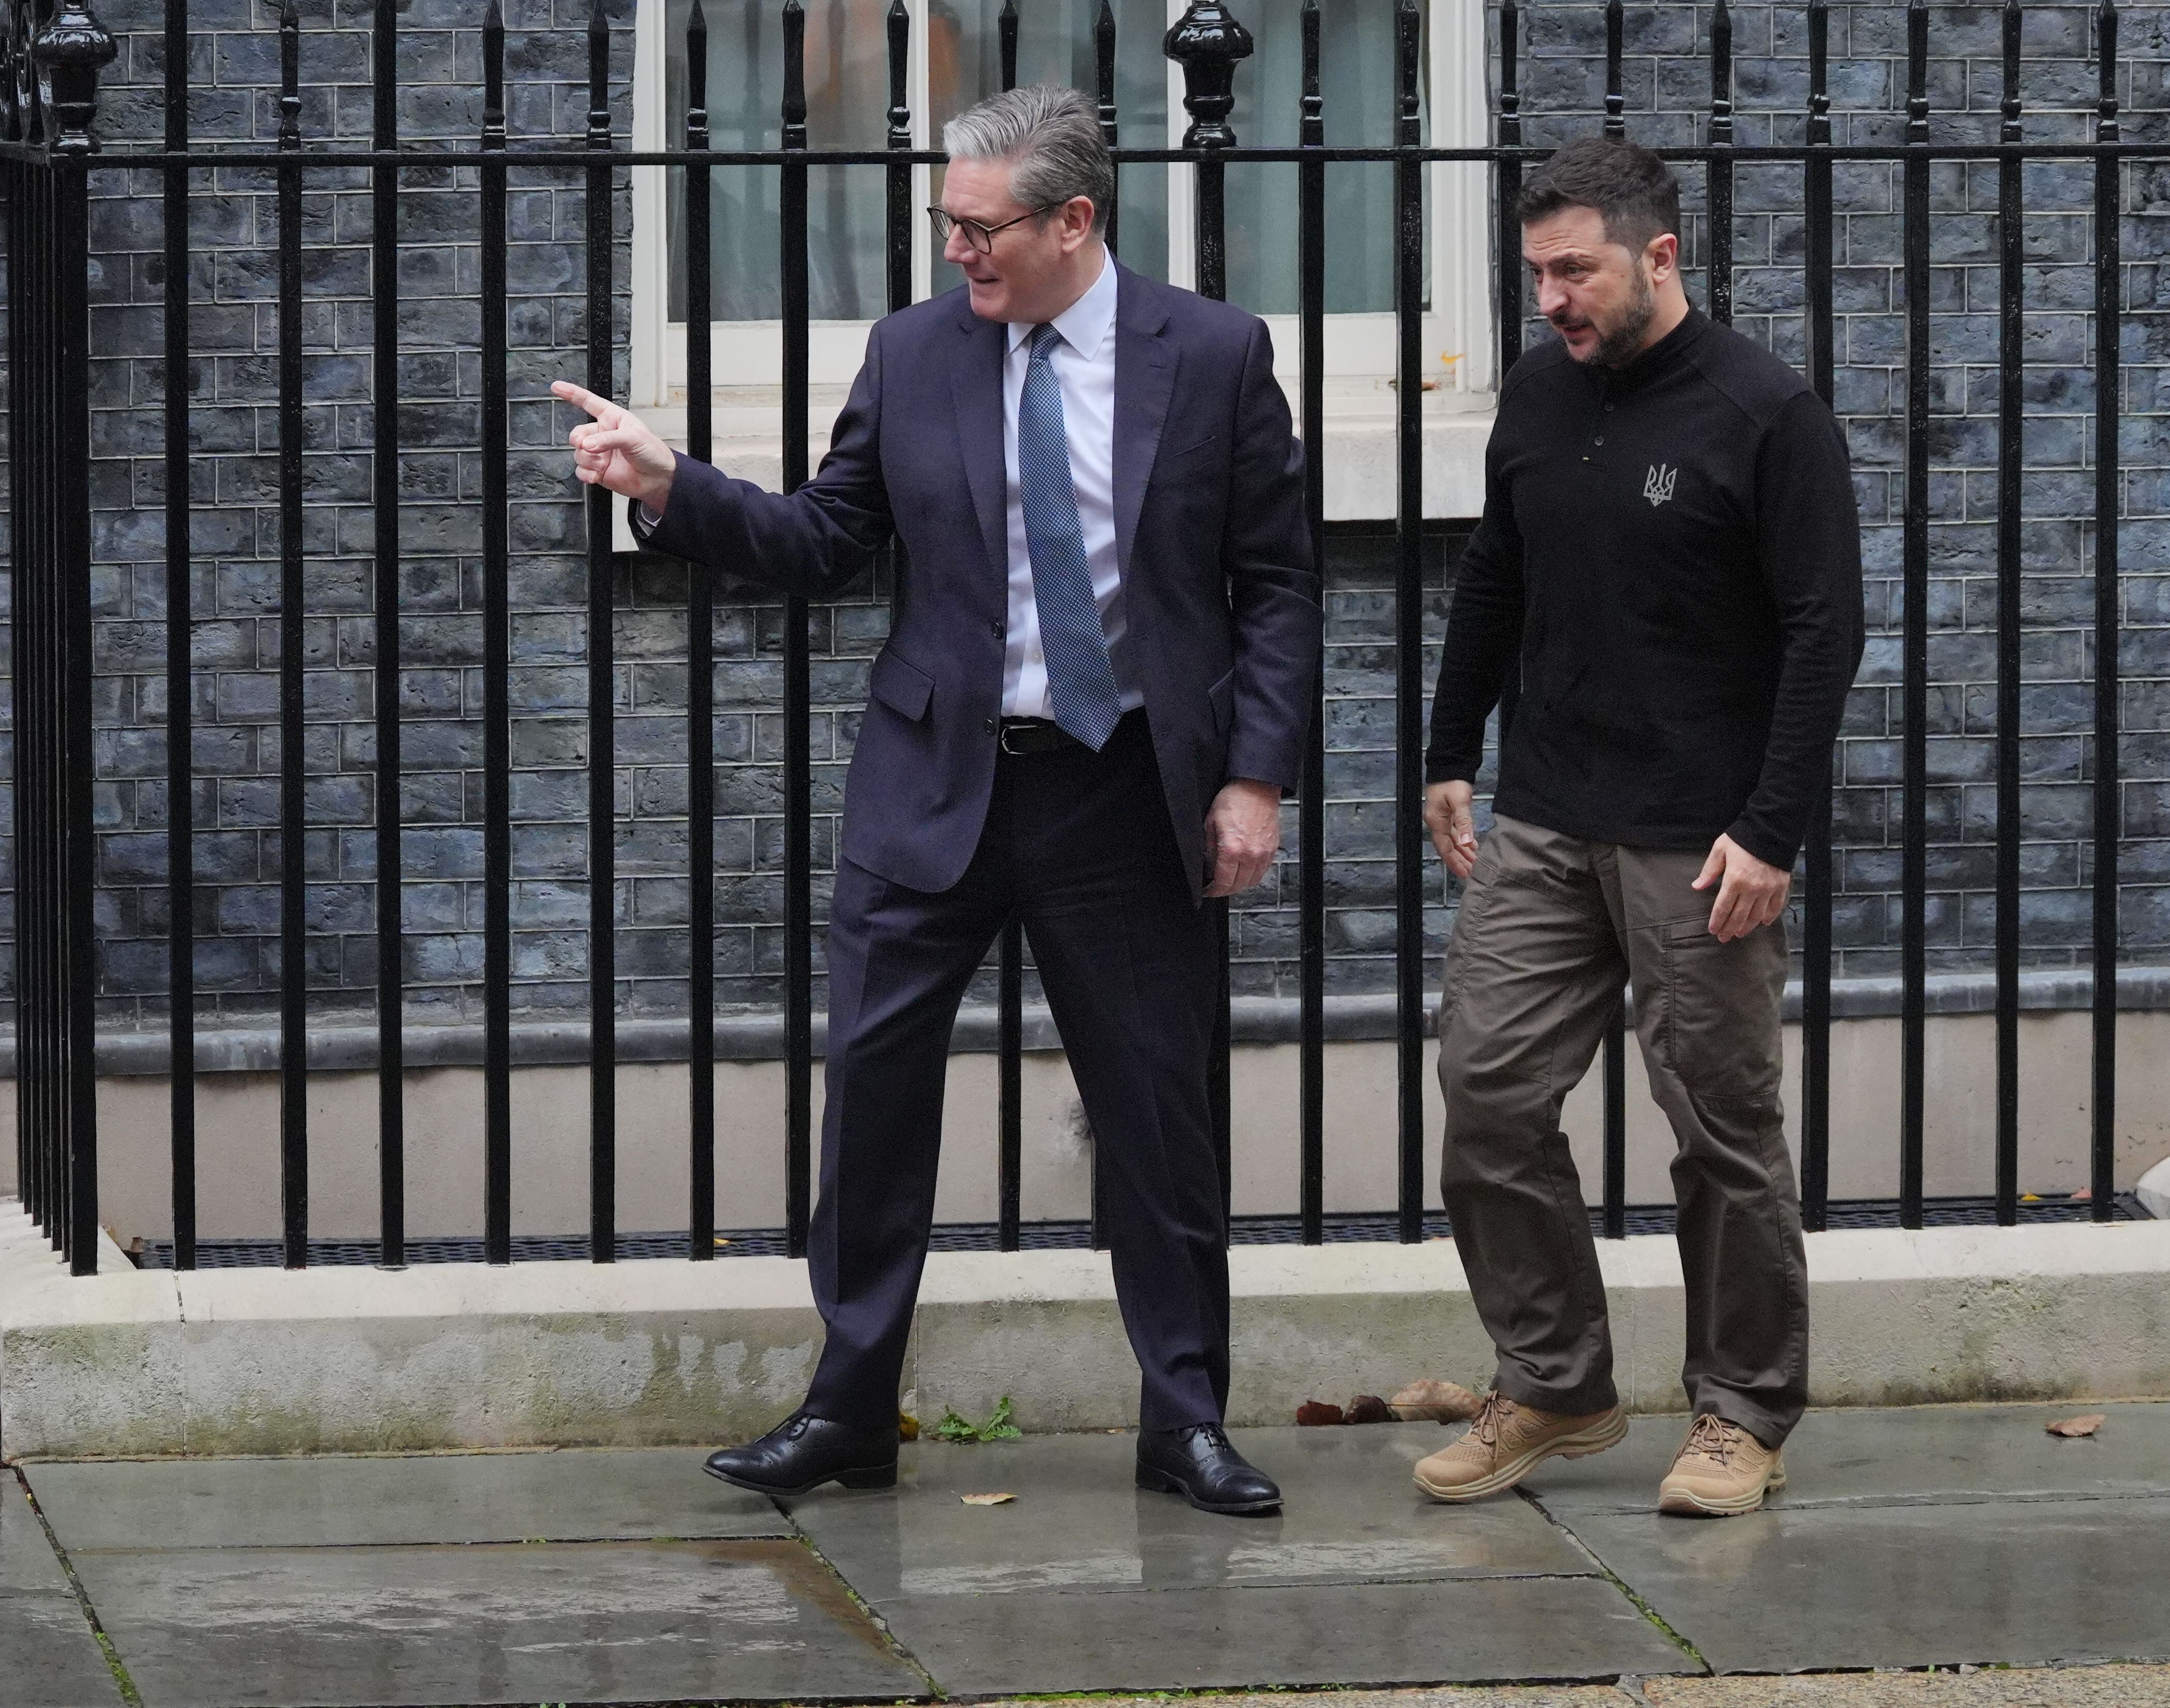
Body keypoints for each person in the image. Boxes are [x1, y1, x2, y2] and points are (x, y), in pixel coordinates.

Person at [554, 85, 1317, 1515]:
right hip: (936, 784)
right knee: (877, 1108)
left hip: (1124, 791)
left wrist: (1255, 778)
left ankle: (1185, 1417)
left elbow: (1272, 586)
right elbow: (830, 537)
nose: (955, 253)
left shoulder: (1212, 355)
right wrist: (672, 485)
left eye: (981, 229)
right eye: (945, 226)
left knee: (1158, 1117)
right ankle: (848, 1411)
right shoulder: (914, 351)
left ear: (1074, 222)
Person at [1410, 136, 1864, 1517]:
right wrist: (1448, 752)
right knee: (1487, 1094)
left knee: (1720, 1127)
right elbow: (1496, 574)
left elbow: (1823, 628)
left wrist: (1772, 831)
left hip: (1702, 838)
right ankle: (1554, 1382)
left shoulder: (1765, 414)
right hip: (1548, 816)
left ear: (1658, 255)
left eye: (1575, 270)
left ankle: (1740, 1412)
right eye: (1536, 271)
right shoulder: (1541, 398)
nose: (1551, 296)